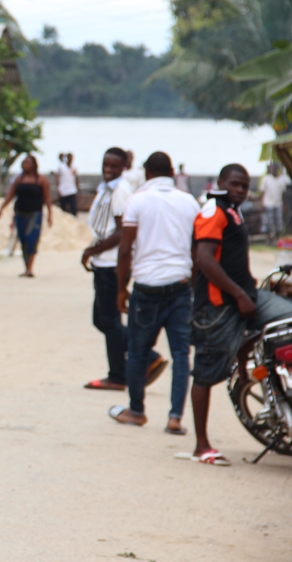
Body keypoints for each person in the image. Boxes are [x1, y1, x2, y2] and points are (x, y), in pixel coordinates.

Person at [187, 164, 292, 466]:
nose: (241, 190)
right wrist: (239, 295)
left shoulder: (233, 211)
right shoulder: (213, 211)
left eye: (245, 186)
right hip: (219, 306)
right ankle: (202, 445)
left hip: (248, 296)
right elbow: (204, 259)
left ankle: (245, 355)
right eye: (234, 184)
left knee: (286, 320)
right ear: (220, 182)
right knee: (205, 374)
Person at [109, 152, 199, 434]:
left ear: (147, 173)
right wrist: (192, 285)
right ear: (171, 172)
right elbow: (197, 249)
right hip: (180, 286)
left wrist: (121, 289)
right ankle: (175, 417)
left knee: (137, 352)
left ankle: (136, 411)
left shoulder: (137, 200)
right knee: (181, 355)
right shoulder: (189, 201)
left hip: (147, 287)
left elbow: (125, 250)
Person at [81, 147, 167, 392]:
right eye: (105, 165)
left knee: (109, 321)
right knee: (101, 320)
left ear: (124, 167)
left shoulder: (120, 191)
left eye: (114, 166)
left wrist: (92, 250)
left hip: (111, 264)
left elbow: (121, 232)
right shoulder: (106, 188)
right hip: (102, 262)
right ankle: (145, 356)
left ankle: (120, 375)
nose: (108, 170)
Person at [0, 155, 53, 278]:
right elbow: (10, 195)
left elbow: (47, 198)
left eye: (28, 163)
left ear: (34, 165)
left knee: (32, 239)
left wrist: (50, 215)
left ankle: (30, 268)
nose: (25, 165)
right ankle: (26, 267)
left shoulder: (41, 180)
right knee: (23, 240)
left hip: (35, 214)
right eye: (23, 163)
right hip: (20, 213)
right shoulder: (19, 179)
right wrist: (2, 208)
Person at [259, 163, 290, 242]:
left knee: (278, 222)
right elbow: (263, 192)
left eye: (273, 168)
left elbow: (283, 194)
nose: (272, 170)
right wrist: (262, 203)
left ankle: (277, 238)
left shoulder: (282, 179)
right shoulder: (266, 179)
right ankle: (268, 239)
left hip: (278, 204)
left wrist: (285, 205)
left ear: (277, 169)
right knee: (269, 222)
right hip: (268, 204)